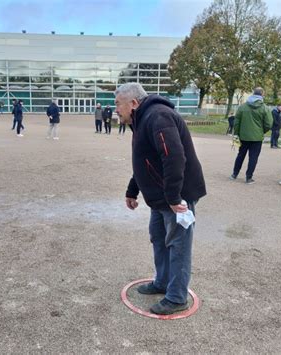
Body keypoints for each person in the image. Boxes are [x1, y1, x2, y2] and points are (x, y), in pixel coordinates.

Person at [115, 83, 206, 315]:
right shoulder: (142, 119)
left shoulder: (158, 116)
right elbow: (146, 161)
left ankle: (176, 297)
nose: (115, 109)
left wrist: (174, 198)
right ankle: (163, 282)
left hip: (176, 197)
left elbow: (174, 157)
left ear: (133, 103)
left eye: (118, 104)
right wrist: (132, 190)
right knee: (158, 238)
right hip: (160, 196)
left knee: (178, 245)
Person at [230, 87, 273, 184]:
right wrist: (261, 131)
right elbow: (269, 124)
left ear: (253, 94)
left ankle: (234, 174)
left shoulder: (242, 107)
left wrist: (237, 134)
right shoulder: (265, 108)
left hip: (243, 136)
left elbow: (236, 123)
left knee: (240, 155)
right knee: (253, 157)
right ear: (262, 95)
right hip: (257, 138)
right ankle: (249, 177)